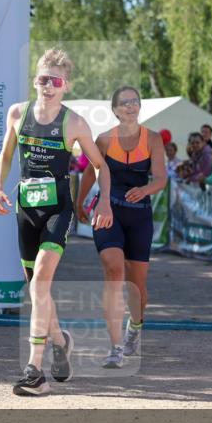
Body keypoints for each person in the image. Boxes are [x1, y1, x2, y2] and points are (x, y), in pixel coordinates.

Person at [0, 49, 113, 397]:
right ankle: (61, 341)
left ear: (65, 87)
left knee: (41, 283)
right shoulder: (18, 112)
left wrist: (103, 199)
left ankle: (34, 371)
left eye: (55, 82)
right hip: (26, 208)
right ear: (35, 80)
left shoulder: (74, 122)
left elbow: (100, 165)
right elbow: (5, 155)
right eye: (43, 79)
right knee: (36, 291)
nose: (48, 86)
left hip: (58, 209)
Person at [76, 86, 166, 369]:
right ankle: (114, 346)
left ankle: (134, 329)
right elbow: (91, 170)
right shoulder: (104, 140)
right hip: (108, 212)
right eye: (125, 103)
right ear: (114, 110)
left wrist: (145, 189)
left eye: (135, 102)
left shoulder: (153, 139)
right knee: (114, 270)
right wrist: (79, 202)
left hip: (140, 215)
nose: (131, 106)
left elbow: (161, 178)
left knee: (136, 286)